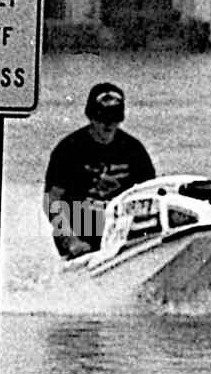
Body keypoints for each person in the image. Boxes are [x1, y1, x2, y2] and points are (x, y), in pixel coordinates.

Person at [43, 83, 155, 259]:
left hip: (119, 234)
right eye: (102, 117)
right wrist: (71, 240)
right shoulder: (69, 150)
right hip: (80, 234)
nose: (108, 124)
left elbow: (149, 192)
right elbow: (52, 201)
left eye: (115, 118)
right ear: (91, 116)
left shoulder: (134, 150)